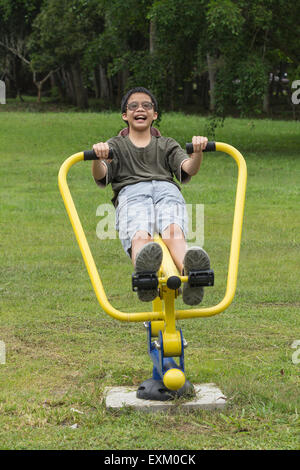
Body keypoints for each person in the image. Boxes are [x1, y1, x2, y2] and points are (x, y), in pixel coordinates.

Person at [91, 86, 210, 305]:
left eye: (147, 105)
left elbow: (188, 168)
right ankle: (146, 277)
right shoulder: (114, 145)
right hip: (132, 194)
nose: (140, 109)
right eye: (133, 105)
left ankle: (192, 274)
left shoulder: (166, 144)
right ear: (125, 115)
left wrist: (197, 153)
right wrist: (97, 158)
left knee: (174, 232)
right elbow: (102, 175)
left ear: (154, 114)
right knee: (140, 235)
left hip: (166, 190)